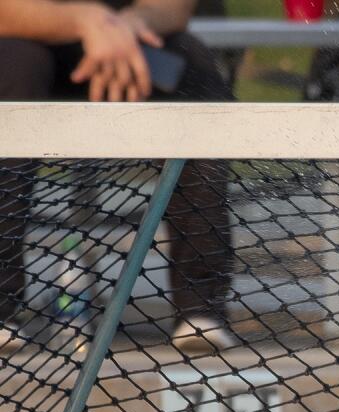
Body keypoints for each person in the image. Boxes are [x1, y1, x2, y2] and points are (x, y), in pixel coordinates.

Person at [0, 0, 238, 354]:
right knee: (13, 67)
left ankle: (200, 309)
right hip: (25, 39)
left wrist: (125, 25)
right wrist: (84, 20)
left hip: (127, 42)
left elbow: (175, 8)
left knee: (193, 70)